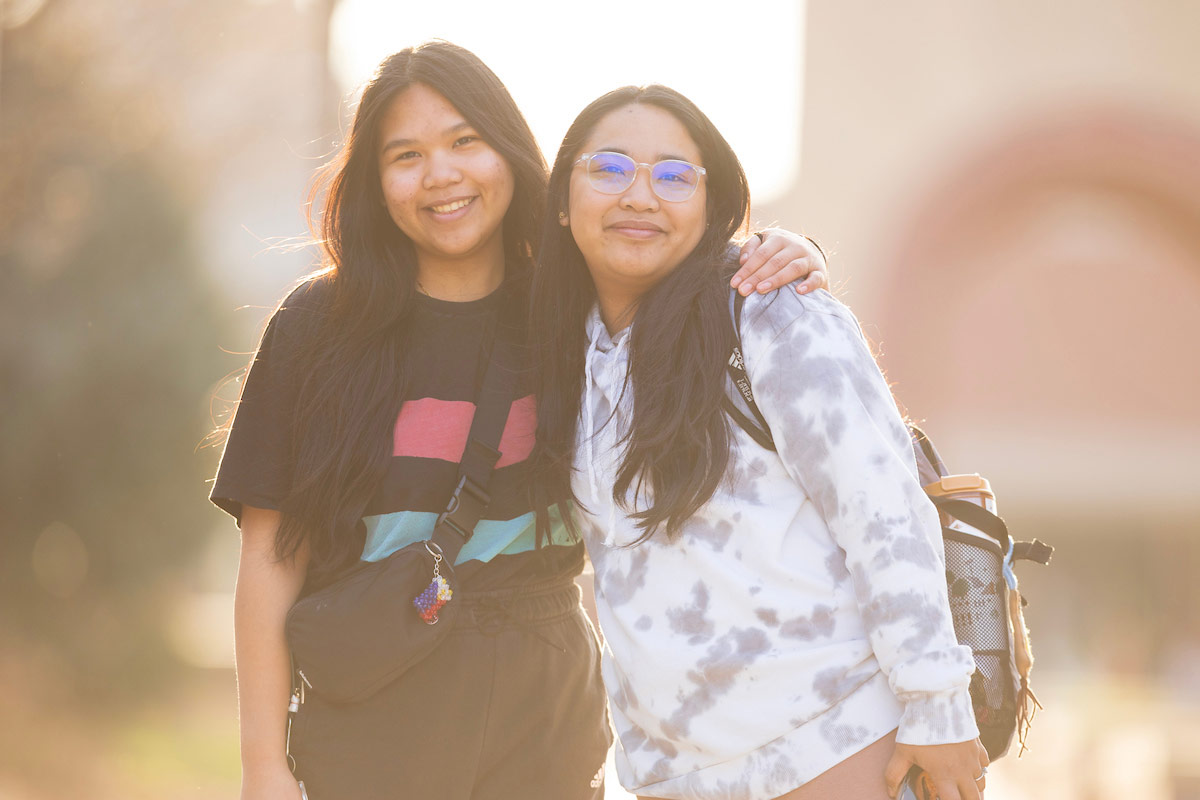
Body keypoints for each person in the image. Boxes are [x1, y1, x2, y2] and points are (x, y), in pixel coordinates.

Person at [210, 42, 828, 800]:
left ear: (509, 150)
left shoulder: (578, 310)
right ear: (375, 181)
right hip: (376, 700)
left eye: (465, 141)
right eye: (406, 155)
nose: (442, 174)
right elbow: (269, 561)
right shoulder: (318, 327)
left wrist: (787, 251)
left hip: (548, 703)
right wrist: (262, 765)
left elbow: (681, 272)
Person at [528, 85, 990, 800]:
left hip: (835, 749)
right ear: (562, 199)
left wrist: (937, 705)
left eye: (676, 175)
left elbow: (884, 508)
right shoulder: (564, 355)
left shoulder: (769, 313)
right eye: (610, 168)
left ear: (712, 207)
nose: (642, 195)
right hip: (673, 778)